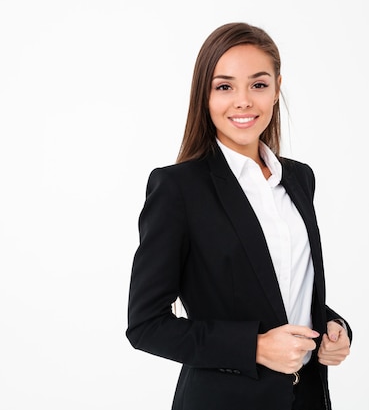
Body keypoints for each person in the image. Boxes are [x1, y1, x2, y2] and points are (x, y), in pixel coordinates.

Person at [126, 21, 352, 410]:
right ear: (205, 95)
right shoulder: (178, 189)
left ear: (277, 89)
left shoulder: (299, 179)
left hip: (307, 399)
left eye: (259, 85)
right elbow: (146, 326)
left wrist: (334, 327)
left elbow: (282, 287)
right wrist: (254, 347)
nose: (243, 101)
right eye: (225, 86)